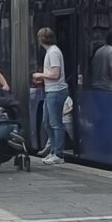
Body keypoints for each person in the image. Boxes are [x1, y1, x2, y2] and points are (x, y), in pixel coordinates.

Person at [32, 26, 68, 164]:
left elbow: (55, 74)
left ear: (41, 39)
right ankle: (53, 151)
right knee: (47, 122)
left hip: (56, 91)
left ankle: (58, 154)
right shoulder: (51, 52)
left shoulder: (53, 53)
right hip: (51, 90)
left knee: (55, 123)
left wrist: (39, 75)